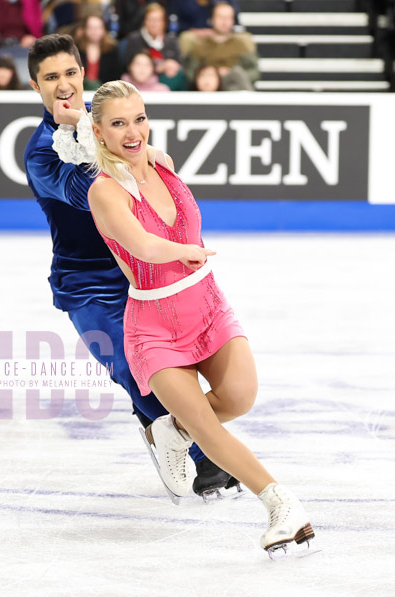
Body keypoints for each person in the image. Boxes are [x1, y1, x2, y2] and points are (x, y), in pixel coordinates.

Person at [86, 79, 316, 557]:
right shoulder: (104, 192)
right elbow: (145, 246)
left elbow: (138, 156)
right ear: (100, 131)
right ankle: (281, 505)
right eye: (119, 123)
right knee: (209, 429)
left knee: (240, 396)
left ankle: (170, 428)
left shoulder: (161, 163)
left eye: (140, 118)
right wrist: (185, 250)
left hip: (207, 304)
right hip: (154, 325)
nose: (133, 132)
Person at [24, 33, 235, 499]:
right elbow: (89, 193)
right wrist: (111, 143)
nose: (64, 84)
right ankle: (203, 456)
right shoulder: (42, 150)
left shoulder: (111, 128)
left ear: (83, 72)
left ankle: (173, 433)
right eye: (51, 76)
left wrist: (126, 147)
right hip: (88, 283)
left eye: (71, 72)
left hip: (140, 271)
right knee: (133, 369)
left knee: (180, 365)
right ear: (35, 85)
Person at [182, 1, 258, 91]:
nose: (224, 21)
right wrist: (209, 75)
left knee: (237, 73)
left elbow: (254, 73)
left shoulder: (242, 44)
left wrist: (230, 73)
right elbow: (190, 73)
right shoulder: (200, 44)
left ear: (233, 20)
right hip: (207, 89)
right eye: (220, 17)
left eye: (228, 17)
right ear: (212, 19)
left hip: (235, 88)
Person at [124, 2, 186, 91]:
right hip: (140, 82)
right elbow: (130, 66)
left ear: (164, 22)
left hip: (167, 81)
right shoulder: (134, 40)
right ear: (145, 21)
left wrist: (173, 66)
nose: (154, 23)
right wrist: (160, 66)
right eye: (151, 19)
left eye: (158, 20)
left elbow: (180, 64)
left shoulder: (171, 41)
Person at [75, 14, 122, 91]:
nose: (94, 31)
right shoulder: (77, 49)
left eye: (98, 28)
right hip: (81, 91)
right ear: (85, 29)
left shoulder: (112, 49)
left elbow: (115, 77)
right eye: (91, 27)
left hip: (105, 93)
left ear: (104, 29)